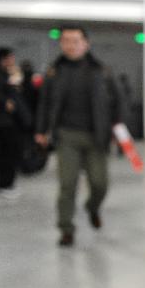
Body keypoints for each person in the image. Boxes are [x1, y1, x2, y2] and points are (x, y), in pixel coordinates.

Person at [35, 26, 123, 246]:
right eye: (66, 41)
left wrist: (118, 128)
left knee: (100, 184)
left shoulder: (101, 70)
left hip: (97, 136)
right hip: (66, 136)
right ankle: (66, 229)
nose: (70, 45)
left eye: (75, 41)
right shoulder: (54, 72)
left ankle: (92, 207)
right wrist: (40, 130)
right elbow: (44, 103)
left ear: (86, 44)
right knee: (67, 185)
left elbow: (119, 101)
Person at [0, 47, 26, 198]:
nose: (13, 60)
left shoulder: (2, 73)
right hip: (0, 120)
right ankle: (4, 185)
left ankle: (7, 184)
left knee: (8, 151)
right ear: (3, 58)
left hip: (6, 119)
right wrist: (4, 102)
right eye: (10, 57)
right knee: (6, 152)